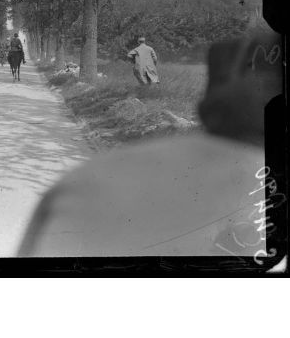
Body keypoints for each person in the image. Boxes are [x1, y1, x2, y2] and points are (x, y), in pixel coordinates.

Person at [18, 32, 281, 258]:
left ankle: (147, 93)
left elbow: (131, 56)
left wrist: (133, 58)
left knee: (143, 79)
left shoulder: (88, 182)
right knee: (150, 79)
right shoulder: (150, 49)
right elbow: (154, 58)